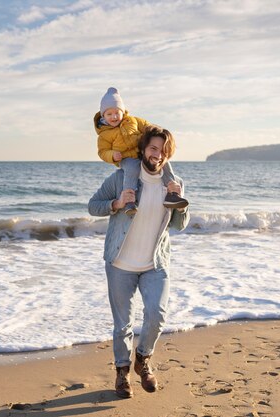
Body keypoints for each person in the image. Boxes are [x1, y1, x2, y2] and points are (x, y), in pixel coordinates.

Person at [88, 125, 190, 398]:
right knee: (122, 324)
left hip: (154, 263)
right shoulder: (123, 178)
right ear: (144, 149)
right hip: (120, 263)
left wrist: (180, 200)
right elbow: (93, 205)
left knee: (157, 314)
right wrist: (117, 203)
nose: (158, 155)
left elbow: (179, 225)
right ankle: (122, 373)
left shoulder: (174, 181)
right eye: (154, 148)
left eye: (164, 151)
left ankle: (142, 359)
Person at [94, 87, 188, 215]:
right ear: (103, 115)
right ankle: (129, 201)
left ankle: (172, 193)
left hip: (140, 152)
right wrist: (112, 156)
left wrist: (158, 136)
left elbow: (149, 127)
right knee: (132, 169)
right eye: (109, 114)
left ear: (123, 112)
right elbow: (102, 151)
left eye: (117, 112)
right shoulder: (104, 134)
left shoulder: (133, 121)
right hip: (125, 158)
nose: (114, 117)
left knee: (164, 162)